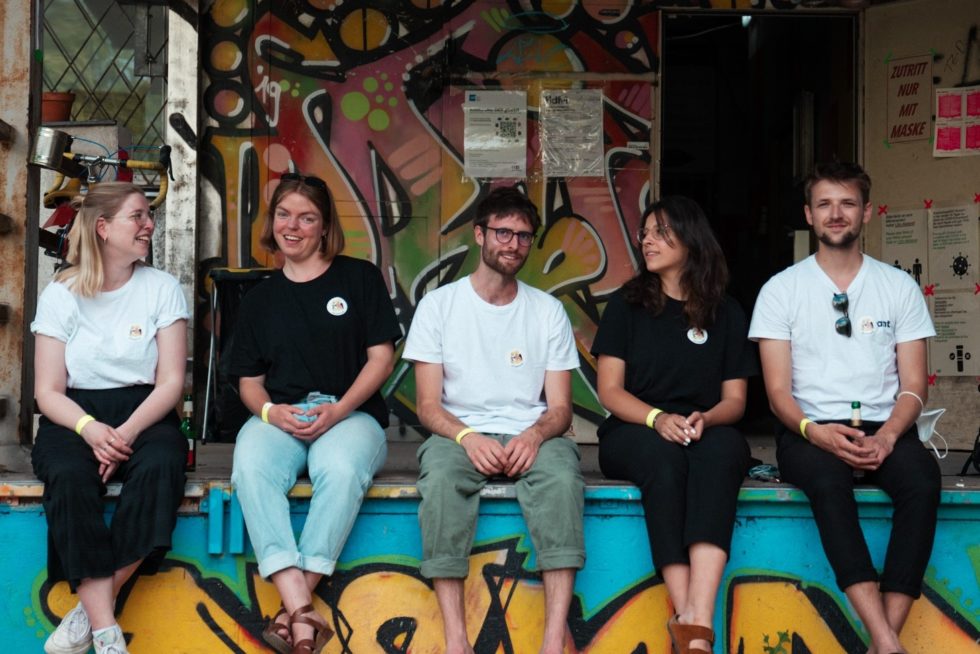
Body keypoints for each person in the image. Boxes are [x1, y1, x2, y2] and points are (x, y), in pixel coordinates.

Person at [749, 161, 940, 654]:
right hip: (809, 429)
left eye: (848, 203)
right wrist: (817, 433)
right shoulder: (780, 290)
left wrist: (889, 436)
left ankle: (883, 640)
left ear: (867, 212)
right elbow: (777, 394)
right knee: (829, 484)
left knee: (922, 482)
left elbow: (914, 385)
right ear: (808, 215)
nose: (836, 214)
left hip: (886, 428)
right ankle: (886, 640)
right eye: (825, 204)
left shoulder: (898, 287)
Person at [403, 185, 584, 654]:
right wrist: (467, 437)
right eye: (503, 232)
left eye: (523, 236)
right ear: (479, 234)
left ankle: (552, 642)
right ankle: (457, 641)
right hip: (459, 432)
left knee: (563, 480)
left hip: (531, 432)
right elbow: (428, 406)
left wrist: (535, 434)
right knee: (441, 483)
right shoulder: (439, 306)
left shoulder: (547, 311)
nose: (513, 244)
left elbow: (560, 409)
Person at [228, 173, 399, 654]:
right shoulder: (260, 299)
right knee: (250, 467)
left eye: (307, 218)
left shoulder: (359, 277)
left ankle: (291, 612)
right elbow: (248, 382)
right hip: (282, 415)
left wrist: (340, 409)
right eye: (284, 215)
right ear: (272, 222)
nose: (293, 226)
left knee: (340, 470)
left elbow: (381, 358)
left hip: (351, 414)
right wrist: (270, 413)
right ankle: (303, 610)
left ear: (325, 227)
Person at [592, 196, 757, 654]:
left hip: (704, 426)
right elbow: (610, 391)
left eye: (661, 232)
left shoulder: (726, 312)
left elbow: (735, 401)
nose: (648, 240)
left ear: (691, 239)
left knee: (725, 452)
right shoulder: (626, 305)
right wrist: (656, 418)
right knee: (663, 460)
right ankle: (692, 622)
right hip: (635, 427)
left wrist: (707, 418)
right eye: (645, 233)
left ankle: (694, 618)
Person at [31, 182, 189, 654]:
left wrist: (122, 435)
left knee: (162, 465)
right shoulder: (61, 292)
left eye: (148, 216)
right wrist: (90, 429)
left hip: (145, 412)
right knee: (67, 475)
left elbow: (171, 383)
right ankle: (107, 634)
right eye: (137, 216)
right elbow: (47, 391)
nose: (148, 225)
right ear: (102, 228)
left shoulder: (162, 288)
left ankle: (90, 614)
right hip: (75, 414)